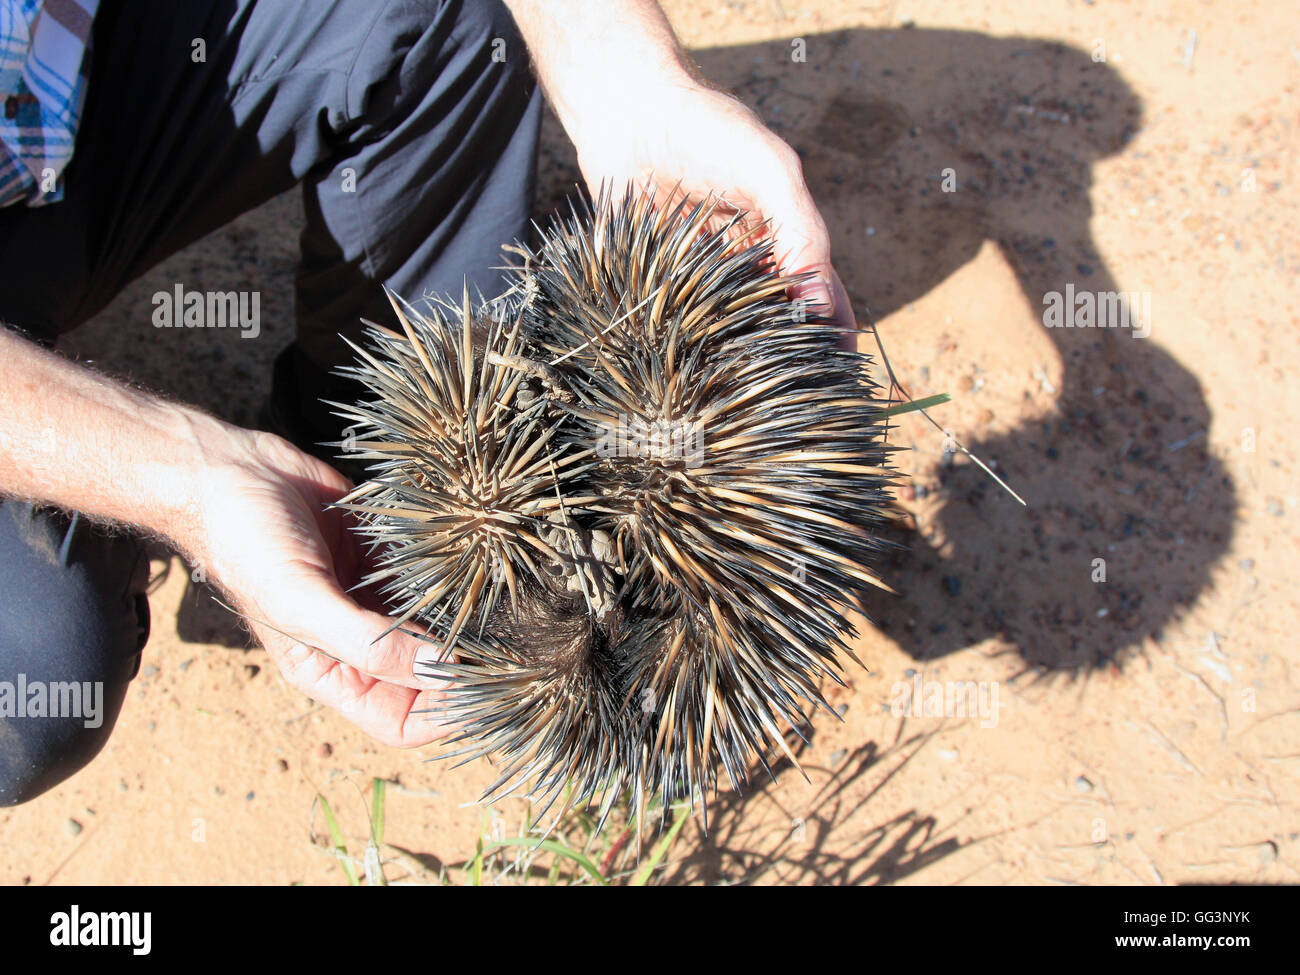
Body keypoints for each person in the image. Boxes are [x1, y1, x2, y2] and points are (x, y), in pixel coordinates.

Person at [0, 0, 853, 804]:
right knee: (40, 675)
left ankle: (357, 498)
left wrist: (630, 84)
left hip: (51, 83)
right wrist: (176, 477)